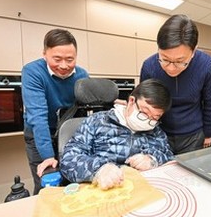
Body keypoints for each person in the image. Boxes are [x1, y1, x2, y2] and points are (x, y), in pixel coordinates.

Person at [60, 79, 174, 190]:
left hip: (142, 191)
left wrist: (153, 160)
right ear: (131, 101)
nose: (147, 120)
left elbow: (169, 157)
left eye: (154, 117)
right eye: (144, 113)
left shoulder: (155, 130)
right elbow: (68, 160)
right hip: (103, 191)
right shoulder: (97, 121)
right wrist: (98, 170)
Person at [21, 28, 89, 195]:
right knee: (47, 183)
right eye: (57, 59)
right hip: (40, 133)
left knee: (73, 180)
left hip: (68, 133)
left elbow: (87, 108)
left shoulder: (82, 74)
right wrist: (48, 156)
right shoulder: (33, 72)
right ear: (44, 54)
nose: (64, 66)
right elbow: (38, 117)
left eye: (70, 59)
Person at [140, 14, 211, 154]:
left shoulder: (207, 64)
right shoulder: (149, 66)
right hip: (159, 132)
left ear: (194, 51)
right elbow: (145, 103)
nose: (171, 68)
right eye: (164, 59)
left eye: (179, 61)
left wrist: (208, 133)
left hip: (193, 135)